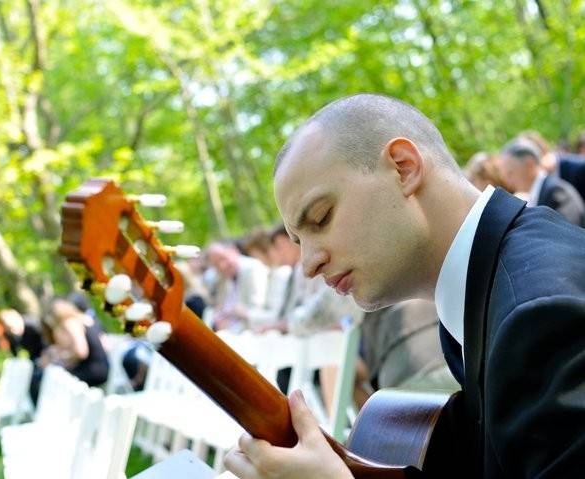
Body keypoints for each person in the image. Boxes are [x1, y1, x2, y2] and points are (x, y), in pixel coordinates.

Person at [224, 93, 585, 478]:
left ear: (403, 168)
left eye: (321, 217)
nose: (309, 264)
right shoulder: (486, 283)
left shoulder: (536, 315)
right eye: (298, 241)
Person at [498, 138, 585, 226]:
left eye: (510, 173)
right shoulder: (542, 192)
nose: (507, 181)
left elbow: (565, 235)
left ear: (529, 164)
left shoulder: (558, 194)